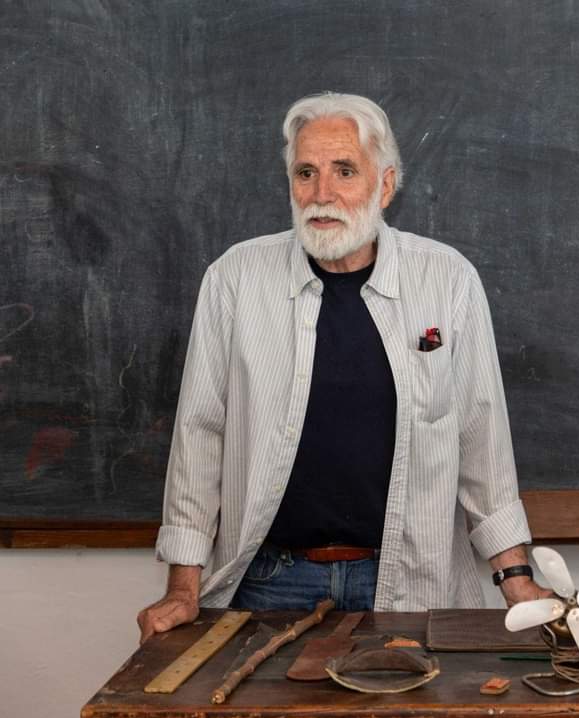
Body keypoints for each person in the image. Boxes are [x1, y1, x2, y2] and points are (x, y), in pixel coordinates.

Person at [137, 93, 545, 643]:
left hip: (409, 581)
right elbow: (199, 435)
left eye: (344, 171)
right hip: (269, 582)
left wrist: (515, 578)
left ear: (385, 185)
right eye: (305, 173)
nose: (321, 194)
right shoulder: (235, 278)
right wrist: (183, 589)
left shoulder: (447, 280)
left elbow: (481, 436)